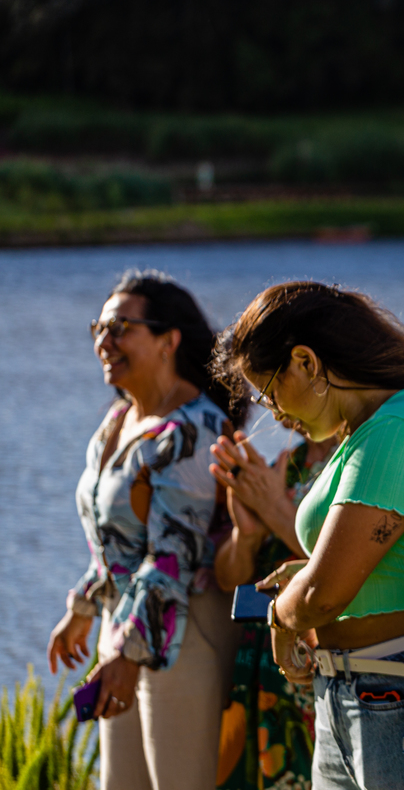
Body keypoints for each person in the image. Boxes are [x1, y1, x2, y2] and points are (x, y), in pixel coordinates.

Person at [211, 281, 404, 790]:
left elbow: (324, 596)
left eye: (271, 391)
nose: (274, 413)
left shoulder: (392, 429)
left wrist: (281, 616)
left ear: (306, 361)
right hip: (358, 693)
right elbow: (363, 568)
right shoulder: (363, 433)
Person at [46, 269, 246, 790]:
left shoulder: (193, 429)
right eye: (99, 328)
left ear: (168, 341)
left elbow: (171, 556)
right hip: (128, 627)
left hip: (183, 633)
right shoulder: (117, 421)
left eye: (121, 328)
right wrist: (85, 606)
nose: (103, 341)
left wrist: (130, 653)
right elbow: (114, 542)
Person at [211, 430, 337, 790]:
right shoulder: (289, 464)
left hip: (311, 670)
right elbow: (227, 577)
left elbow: (342, 567)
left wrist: (275, 510)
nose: (268, 401)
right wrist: (246, 537)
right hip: (261, 667)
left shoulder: (354, 463)